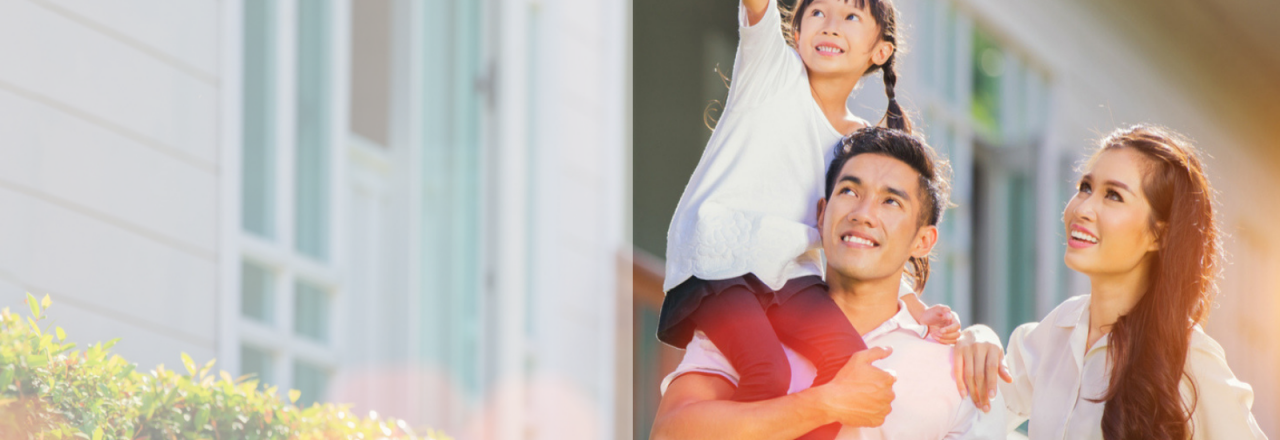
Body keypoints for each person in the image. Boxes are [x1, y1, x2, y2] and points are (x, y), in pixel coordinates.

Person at [658, 0, 958, 437]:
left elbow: (866, 229)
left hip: (786, 272)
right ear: (795, 34)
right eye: (817, 13)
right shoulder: (772, 73)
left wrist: (918, 310)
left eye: (851, 17)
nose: (831, 26)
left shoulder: (860, 145)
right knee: (769, 373)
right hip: (722, 264)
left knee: (847, 362)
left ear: (879, 52)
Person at [652, 127, 1004, 439]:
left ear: (923, 241)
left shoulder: (959, 372)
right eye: (850, 191)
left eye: (891, 201)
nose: (862, 214)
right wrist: (823, 404)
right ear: (822, 214)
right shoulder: (750, 319)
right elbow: (669, 433)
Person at [953, 125, 1267, 439]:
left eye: (1113, 195)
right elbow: (972, 418)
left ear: (1160, 234)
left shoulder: (1190, 359)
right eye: (1085, 187)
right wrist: (979, 336)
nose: (1083, 209)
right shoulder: (1057, 333)